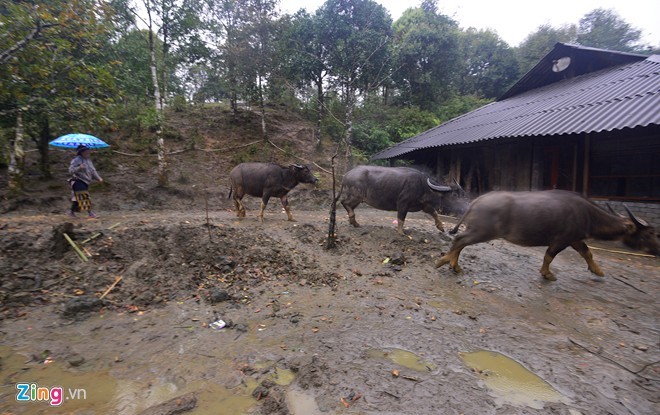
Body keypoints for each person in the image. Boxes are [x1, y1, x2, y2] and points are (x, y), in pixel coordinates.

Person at [68, 144, 103, 218]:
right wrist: (79, 167)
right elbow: (70, 171)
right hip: (78, 180)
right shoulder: (76, 160)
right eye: (87, 151)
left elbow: (93, 171)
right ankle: (90, 213)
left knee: (78, 198)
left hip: (86, 181)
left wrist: (98, 178)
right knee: (84, 196)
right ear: (82, 152)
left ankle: (71, 212)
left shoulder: (89, 161)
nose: (89, 152)